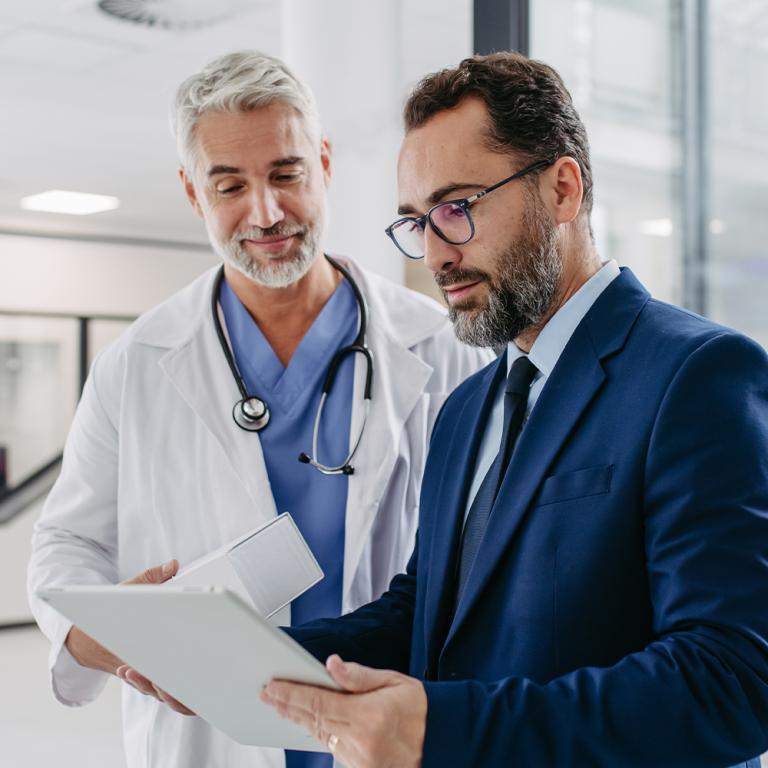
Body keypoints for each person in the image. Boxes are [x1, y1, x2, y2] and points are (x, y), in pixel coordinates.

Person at [261, 52, 768, 768]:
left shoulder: (698, 375)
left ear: (562, 190)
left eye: (457, 209)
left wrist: (448, 726)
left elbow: (733, 682)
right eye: (416, 222)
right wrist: (258, 661)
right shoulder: (466, 406)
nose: (435, 254)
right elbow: (426, 607)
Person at [26, 50, 491, 768]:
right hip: (208, 733)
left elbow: (487, 551)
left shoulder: (439, 349)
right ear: (193, 193)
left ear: (324, 164)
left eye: (285, 174)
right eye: (229, 185)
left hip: (389, 719)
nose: (265, 212)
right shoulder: (138, 363)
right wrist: (111, 632)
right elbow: (66, 547)